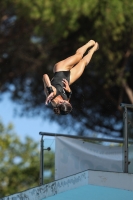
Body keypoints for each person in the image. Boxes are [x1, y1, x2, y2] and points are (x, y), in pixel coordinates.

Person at [43, 40, 99, 115]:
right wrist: (69, 91)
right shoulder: (65, 103)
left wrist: (50, 89)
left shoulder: (52, 95)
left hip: (60, 69)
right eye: (68, 102)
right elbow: (68, 96)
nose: (68, 101)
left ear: (61, 102)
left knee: (79, 55)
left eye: (66, 102)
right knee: (83, 63)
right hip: (69, 79)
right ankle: (93, 50)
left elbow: (45, 76)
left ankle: (89, 44)